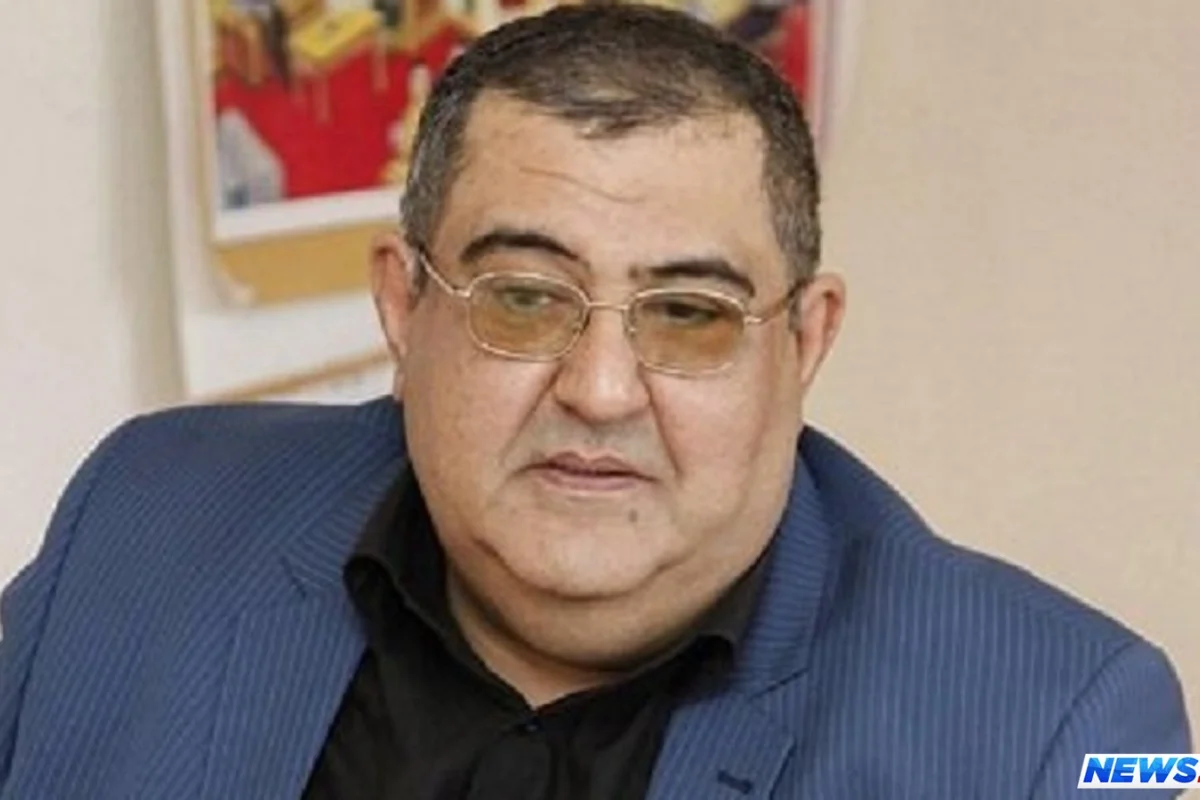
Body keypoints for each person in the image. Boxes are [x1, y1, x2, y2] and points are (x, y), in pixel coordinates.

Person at [0, 5, 1190, 799]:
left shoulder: (1064, 727)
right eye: (524, 298)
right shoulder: (145, 515)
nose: (603, 388)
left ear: (805, 340)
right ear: (404, 306)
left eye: (689, 313)